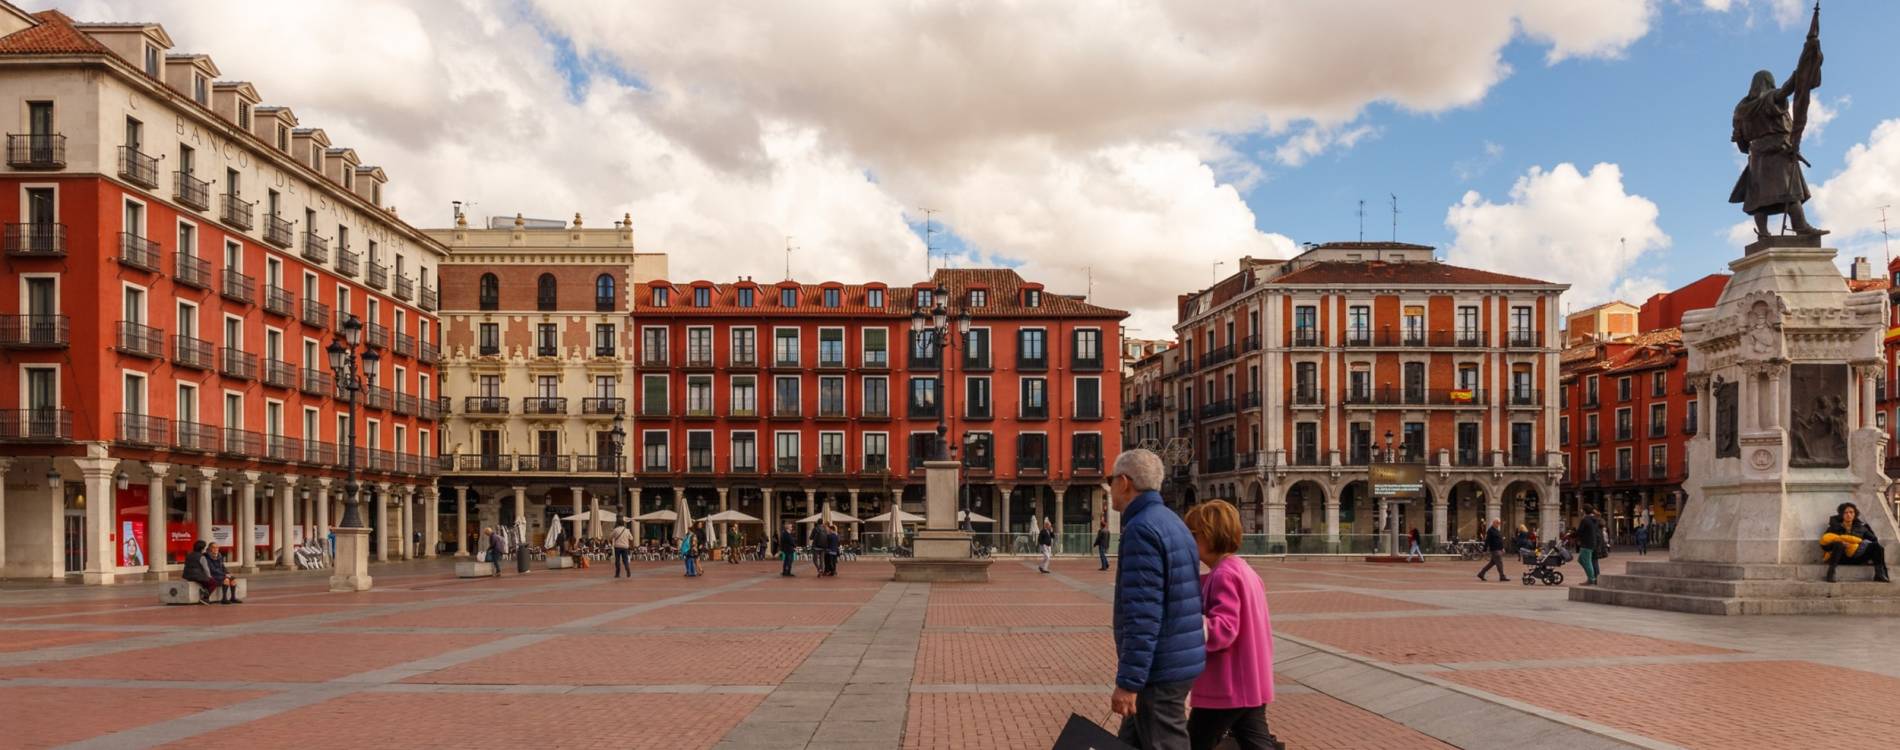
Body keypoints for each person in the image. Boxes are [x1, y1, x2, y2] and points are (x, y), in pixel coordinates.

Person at [1107, 449, 1205, 749]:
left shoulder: (1141, 530)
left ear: (1125, 482)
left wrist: (1128, 682)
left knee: (1167, 743)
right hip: (1175, 659)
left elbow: (1143, 615)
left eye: (1111, 480)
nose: (1109, 487)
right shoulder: (1171, 522)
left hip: (1159, 670)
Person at [1183, 500, 1281, 750]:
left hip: (1226, 685)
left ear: (1207, 536)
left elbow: (1224, 629)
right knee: (1256, 743)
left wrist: (1186, 624)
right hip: (1251, 680)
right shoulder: (1241, 570)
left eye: (1192, 536)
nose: (1190, 543)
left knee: (1195, 742)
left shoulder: (1224, 574)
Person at [1821, 502, 1891, 583]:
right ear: (1841, 515)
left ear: (1855, 514)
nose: (1849, 514)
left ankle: (1879, 573)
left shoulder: (1862, 527)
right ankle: (1831, 573)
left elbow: (1874, 540)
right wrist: (1839, 543)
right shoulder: (1834, 527)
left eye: (1851, 512)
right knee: (1839, 544)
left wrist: (1861, 542)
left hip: (1857, 556)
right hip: (1840, 557)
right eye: (1846, 512)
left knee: (1876, 546)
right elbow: (1824, 545)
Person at [1575, 507, 1606, 586]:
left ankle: (1591, 579)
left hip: (1588, 543)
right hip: (1595, 543)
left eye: (1582, 510)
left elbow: (1580, 531)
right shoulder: (1595, 520)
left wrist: (1574, 535)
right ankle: (1595, 578)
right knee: (1590, 561)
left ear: (1584, 511)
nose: (1581, 511)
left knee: (1588, 561)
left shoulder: (1586, 520)